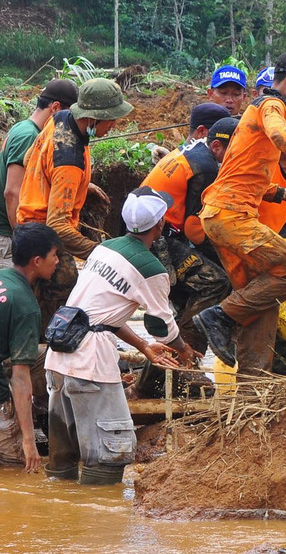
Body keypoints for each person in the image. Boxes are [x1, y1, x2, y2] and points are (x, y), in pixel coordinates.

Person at [193, 50, 286, 379]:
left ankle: (252, 386)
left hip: (223, 212)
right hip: (232, 216)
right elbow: (279, 133)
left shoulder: (259, 111)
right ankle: (220, 315)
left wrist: (280, 192)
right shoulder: (271, 106)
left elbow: (242, 174)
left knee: (261, 302)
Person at [44, 186, 200, 484]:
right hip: (90, 364)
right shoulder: (151, 268)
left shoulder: (105, 248)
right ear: (160, 224)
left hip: (60, 357)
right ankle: (101, 527)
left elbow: (102, 316)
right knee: (108, 457)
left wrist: (143, 346)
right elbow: (162, 327)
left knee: (62, 463)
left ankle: (58, 517)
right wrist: (183, 350)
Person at [17, 78, 133, 336]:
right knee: (68, 280)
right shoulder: (68, 159)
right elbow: (56, 224)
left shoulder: (61, 119)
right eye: (111, 119)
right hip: (40, 235)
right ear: (93, 118)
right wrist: (100, 252)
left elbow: (30, 158)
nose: (114, 125)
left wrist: (81, 184)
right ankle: (47, 342)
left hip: (28, 223)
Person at [141, 114, 237, 353]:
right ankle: (188, 359)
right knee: (215, 282)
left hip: (151, 226)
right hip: (156, 237)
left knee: (190, 298)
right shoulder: (205, 169)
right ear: (217, 146)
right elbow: (194, 230)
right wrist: (227, 260)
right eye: (235, 153)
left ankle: (170, 370)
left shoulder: (197, 149)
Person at [0, 223, 61, 472]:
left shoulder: (3, 276)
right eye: (55, 255)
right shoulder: (25, 306)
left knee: (51, 357)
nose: (57, 261)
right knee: (17, 471)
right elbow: (20, 377)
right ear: (37, 261)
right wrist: (28, 440)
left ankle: (43, 412)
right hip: (2, 391)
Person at [0, 79, 78, 269]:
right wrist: (24, 242)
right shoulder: (29, 136)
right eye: (70, 115)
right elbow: (12, 192)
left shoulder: (22, 128)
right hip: (8, 240)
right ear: (56, 107)